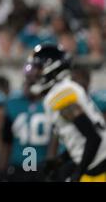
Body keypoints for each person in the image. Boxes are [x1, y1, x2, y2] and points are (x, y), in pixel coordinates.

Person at [28, 44, 106, 182]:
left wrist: (77, 173)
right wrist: (60, 160)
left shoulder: (60, 93)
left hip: (99, 168)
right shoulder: (63, 89)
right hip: (96, 164)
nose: (33, 73)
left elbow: (94, 138)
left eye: (38, 68)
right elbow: (80, 139)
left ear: (51, 68)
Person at [0, 59, 52, 182]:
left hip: (43, 165)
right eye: (27, 79)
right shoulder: (13, 103)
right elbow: (6, 139)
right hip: (18, 165)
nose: (28, 84)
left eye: (32, 80)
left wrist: (52, 165)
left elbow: (56, 139)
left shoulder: (50, 102)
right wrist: (2, 167)